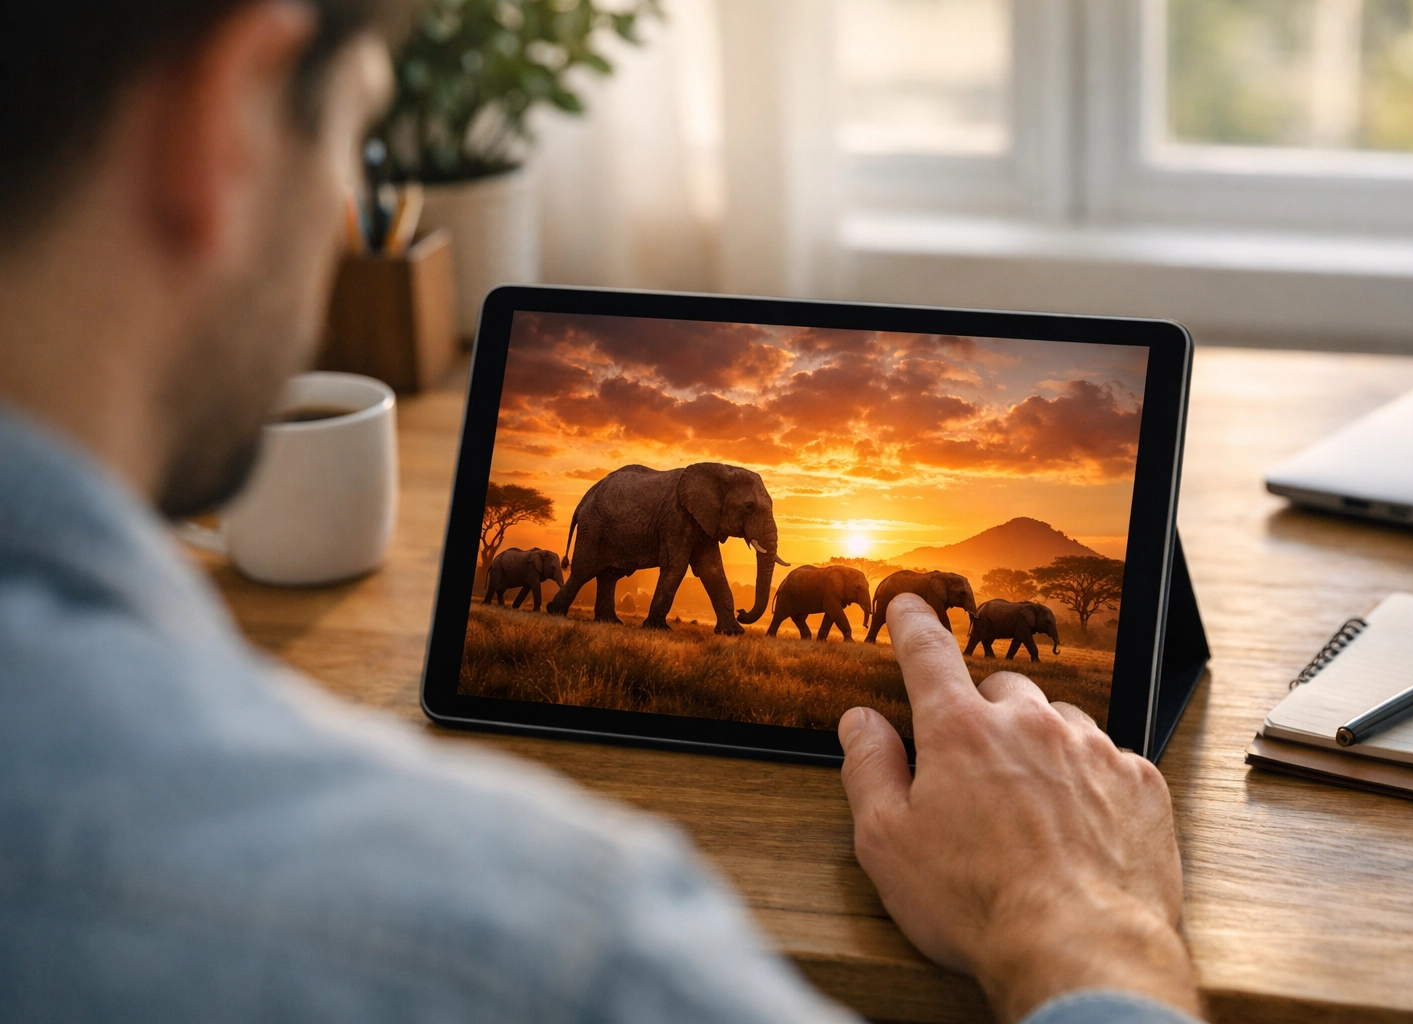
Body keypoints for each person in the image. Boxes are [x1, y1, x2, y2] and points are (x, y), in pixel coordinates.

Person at [0, 3, 1202, 1021]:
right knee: (602, 596)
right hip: (619, 534)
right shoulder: (569, 951)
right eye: (362, 134)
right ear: (224, 130)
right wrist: (1086, 919)